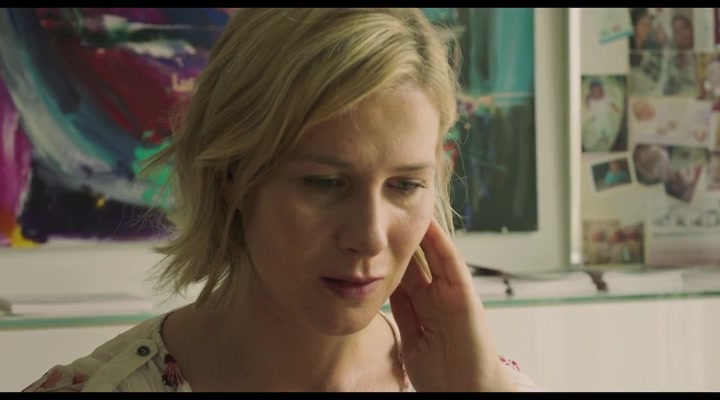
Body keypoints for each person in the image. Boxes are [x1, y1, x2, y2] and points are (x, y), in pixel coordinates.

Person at [22, 8, 539, 392]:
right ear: (231, 173)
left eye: (405, 185)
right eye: (325, 183)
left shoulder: (479, 384)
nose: (369, 237)